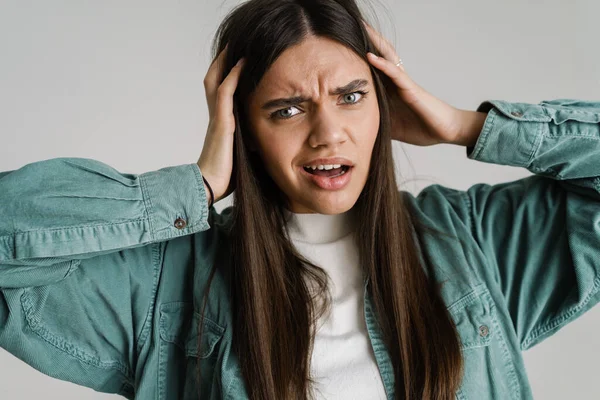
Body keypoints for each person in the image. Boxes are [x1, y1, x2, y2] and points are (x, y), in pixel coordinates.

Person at [1, 0, 599, 399]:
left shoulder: (476, 243)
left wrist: (466, 126)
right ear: (243, 130)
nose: (328, 133)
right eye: (287, 109)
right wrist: (197, 186)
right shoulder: (166, 282)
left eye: (351, 96)